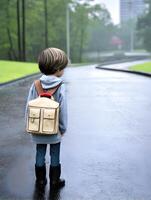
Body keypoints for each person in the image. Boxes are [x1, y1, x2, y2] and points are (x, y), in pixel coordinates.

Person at [25, 47, 68, 189]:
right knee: (55, 154)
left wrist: (29, 125)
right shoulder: (60, 86)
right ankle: (55, 180)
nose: (64, 70)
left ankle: (41, 180)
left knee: (40, 152)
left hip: (37, 128)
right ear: (57, 69)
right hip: (54, 130)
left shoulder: (36, 84)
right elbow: (63, 110)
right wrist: (62, 128)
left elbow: (29, 106)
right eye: (63, 68)